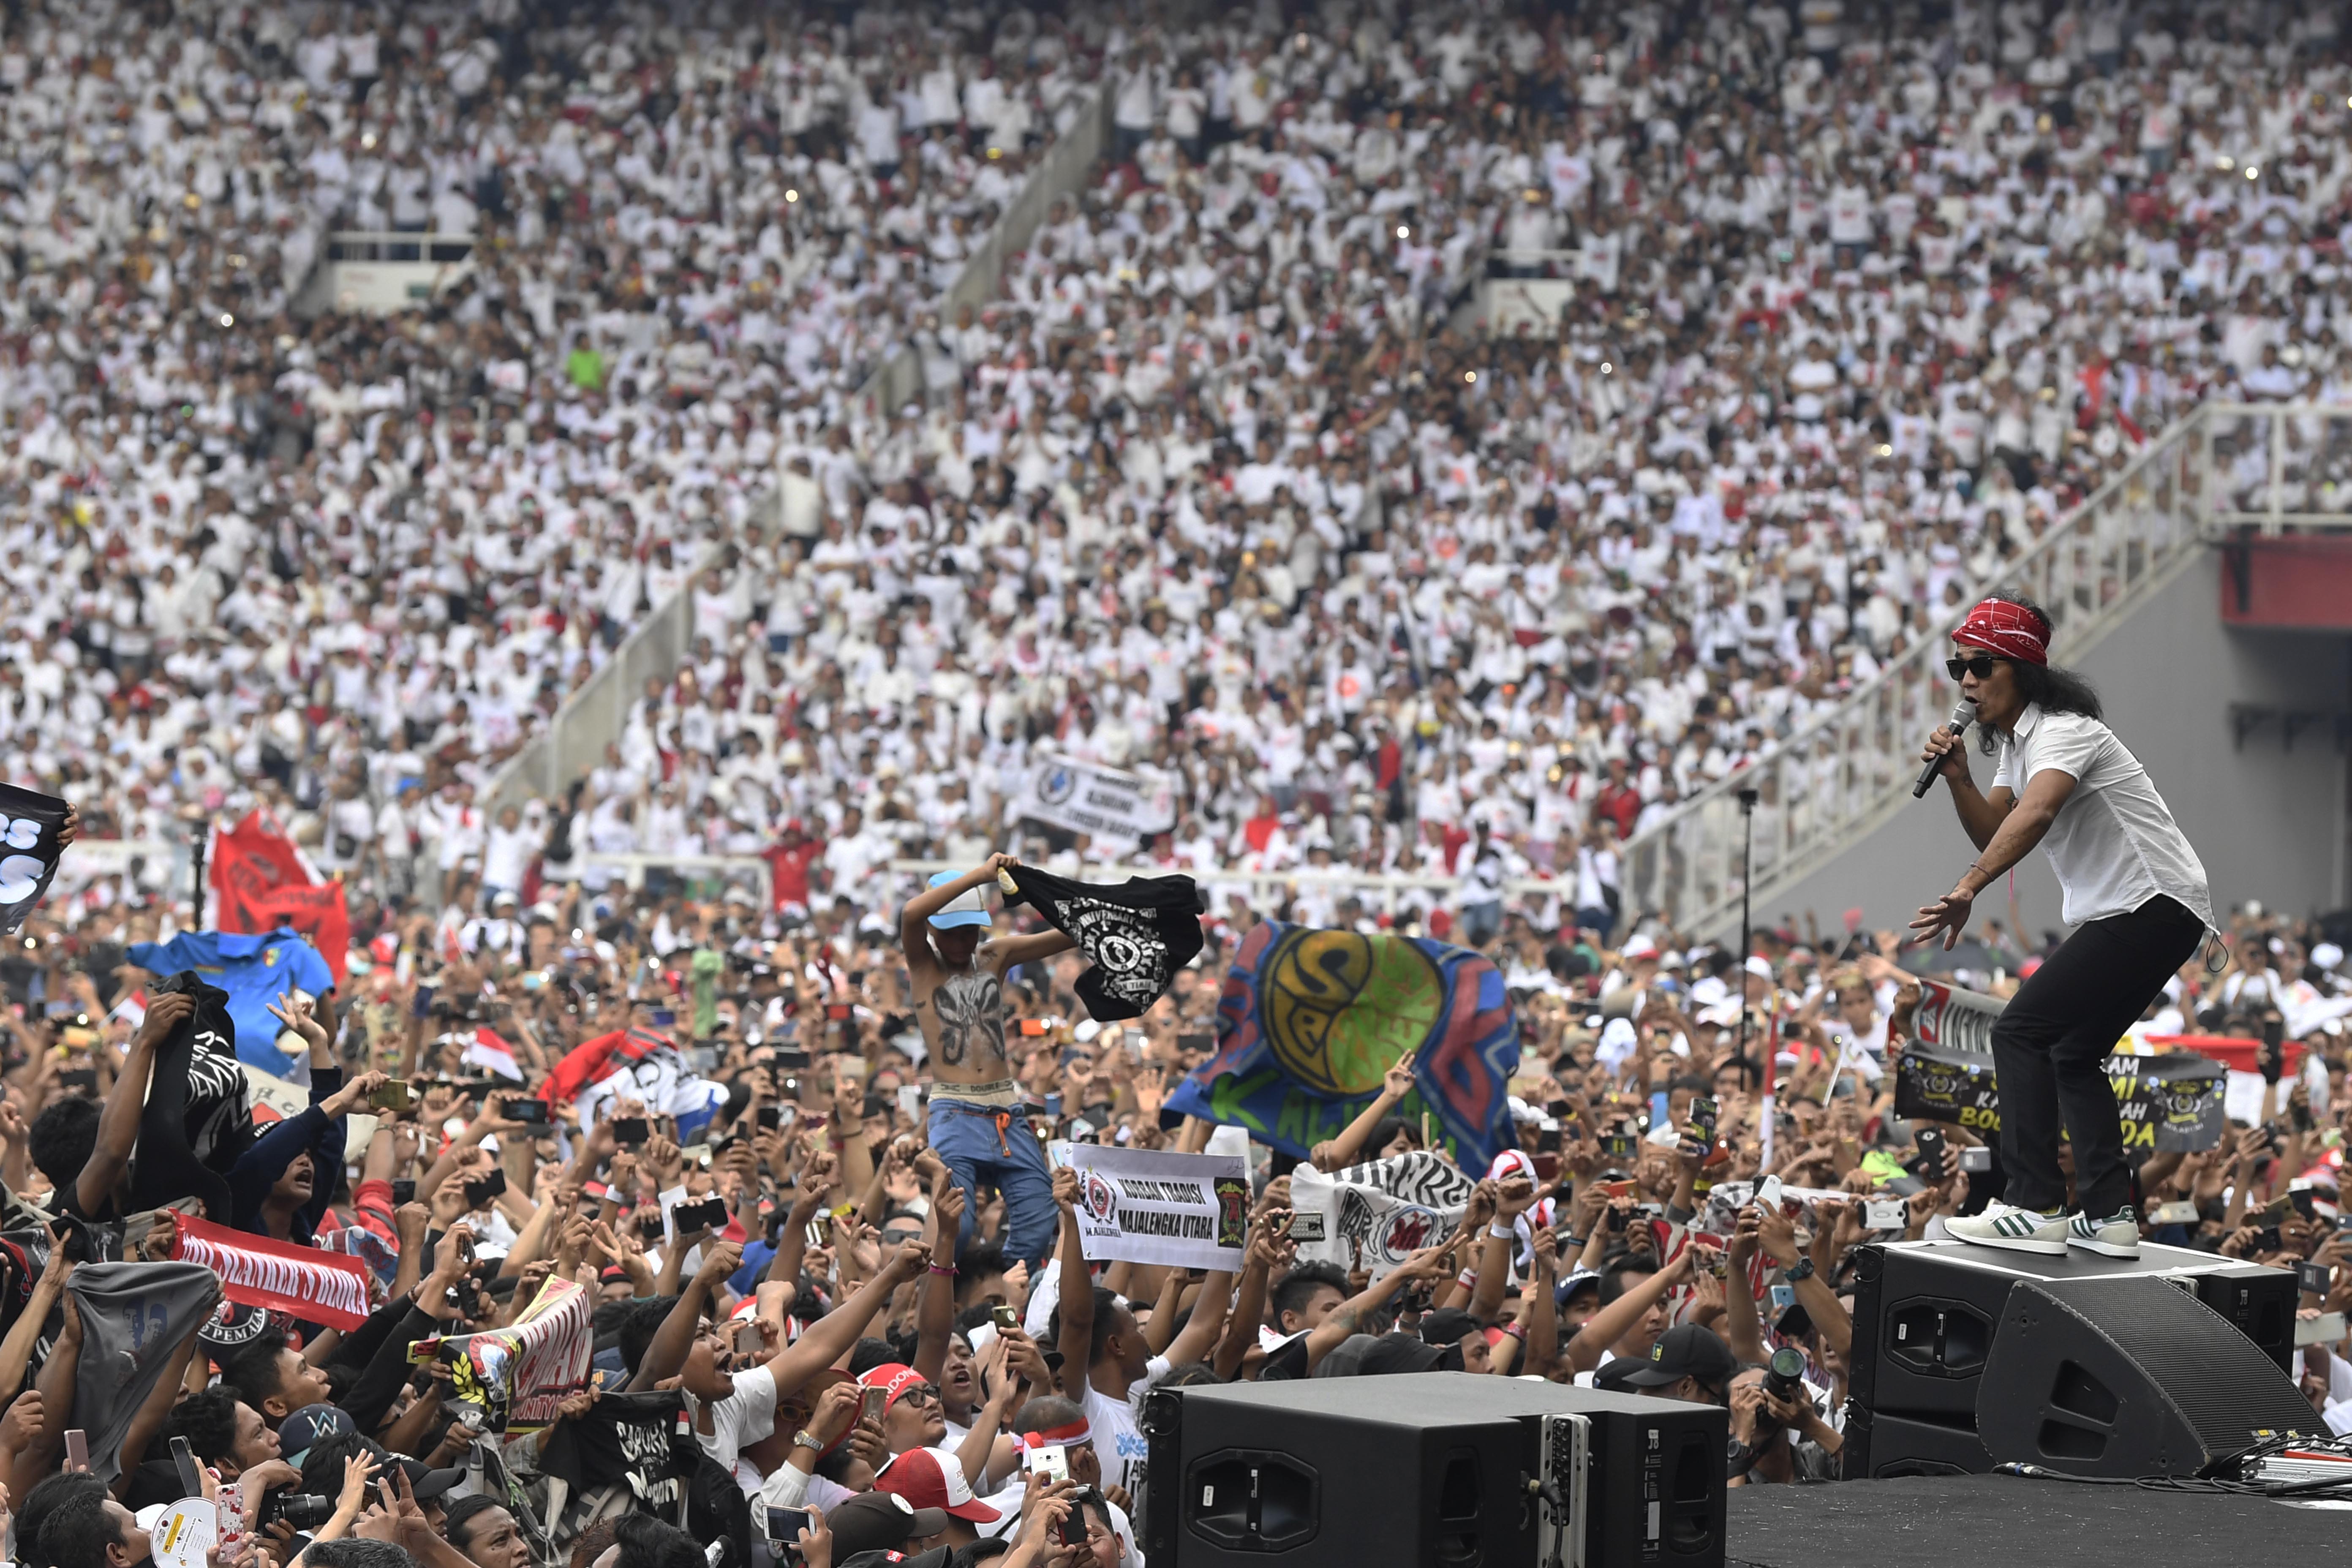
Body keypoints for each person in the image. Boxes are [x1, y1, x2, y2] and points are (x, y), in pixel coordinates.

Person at [1912, 594, 2214, 1258]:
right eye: (1957, 665)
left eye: (1980, 665)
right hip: (2149, 910)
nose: (1965, 679)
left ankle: (2033, 1202)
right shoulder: (2018, 747)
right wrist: (1961, 780)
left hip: (2150, 902)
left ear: (2021, 668)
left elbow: (2039, 814)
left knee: (2020, 1030)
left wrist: (1968, 886)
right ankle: (2109, 1213)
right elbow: (1995, 827)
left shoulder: (2065, 730)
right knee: (2071, 1053)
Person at [901, 854, 1074, 1266]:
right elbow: (910, 913)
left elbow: (1071, 934)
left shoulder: (997, 955)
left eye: (969, 931)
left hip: (1006, 1112)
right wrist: (981, 875)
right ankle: (942, 1296)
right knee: (955, 1228)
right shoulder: (924, 966)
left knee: (1038, 1220)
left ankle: (997, 1291)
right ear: (931, 931)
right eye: (951, 932)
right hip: (953, 1111)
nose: (963, 941)